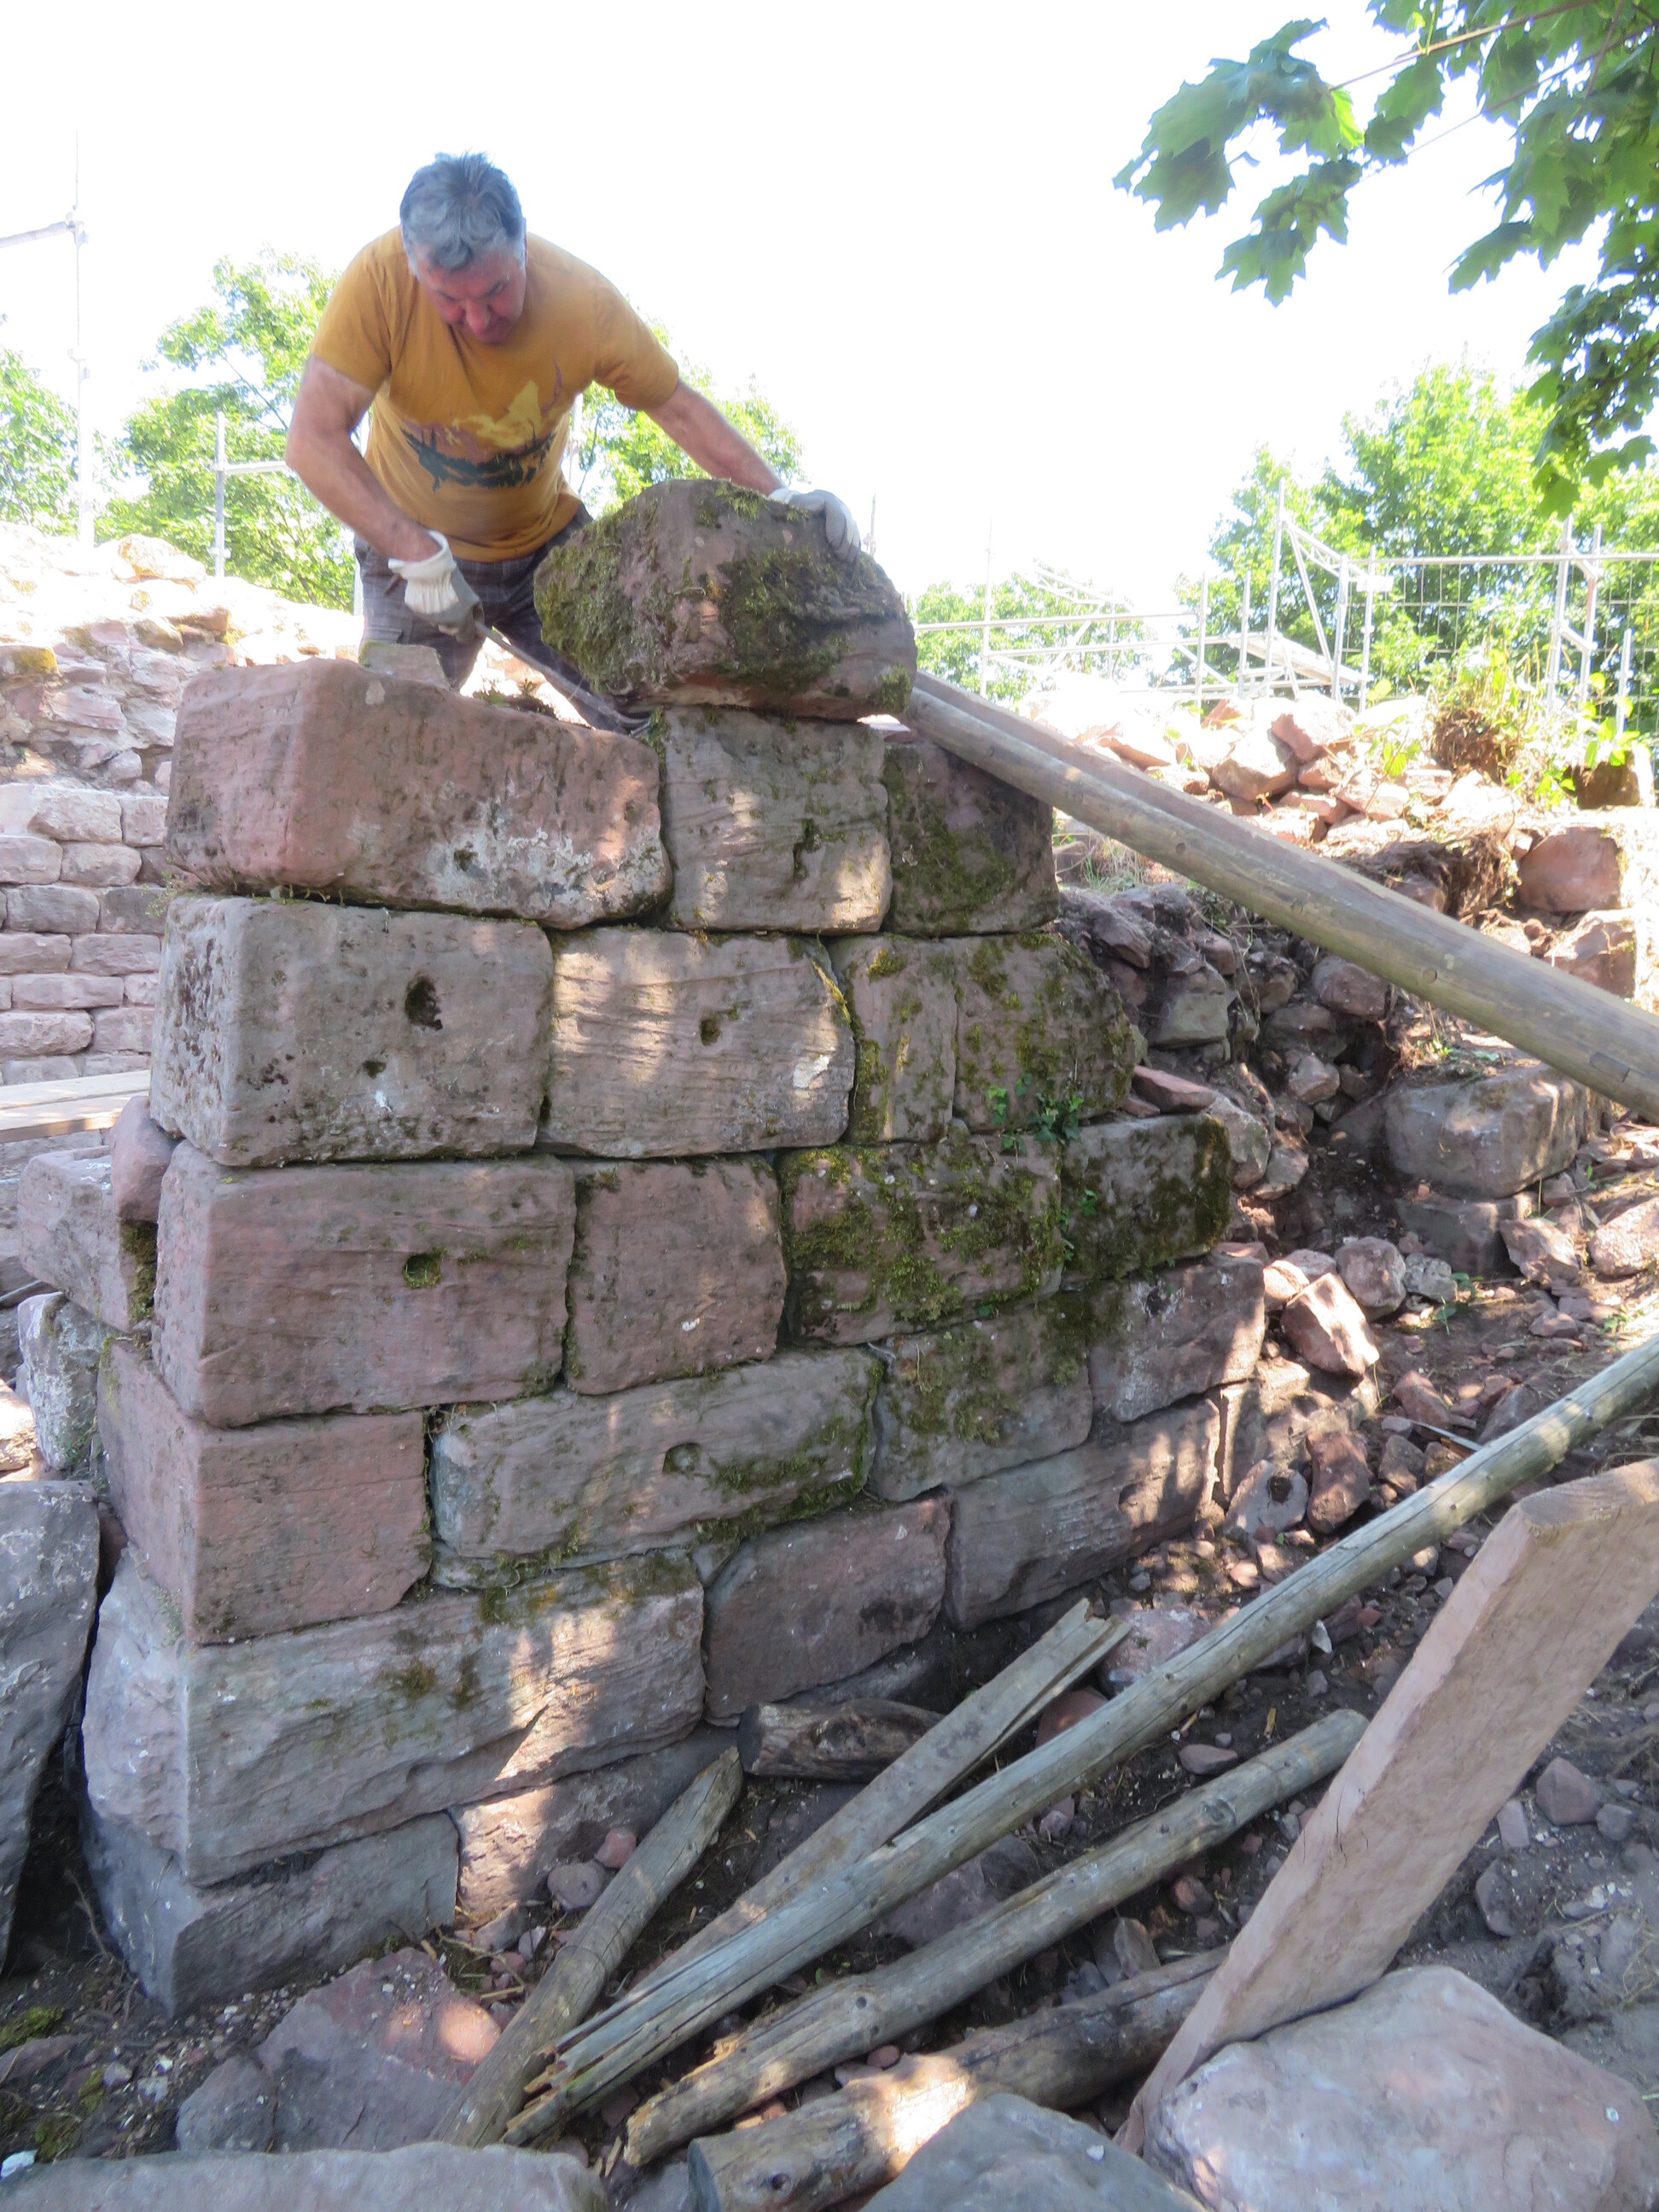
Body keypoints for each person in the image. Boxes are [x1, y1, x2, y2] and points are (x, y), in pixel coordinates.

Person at [286, 152, 860, 702]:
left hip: (544, 551)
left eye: (496, 291)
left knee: (636, 708)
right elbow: (313, 440)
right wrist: (414, 553)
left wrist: (781, 498)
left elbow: (677, 407)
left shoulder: (582, 302)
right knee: (393, 723)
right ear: (416, 268)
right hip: (410, 553)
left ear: (522, 249)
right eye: (450, 301)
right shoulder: (380, 282)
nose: (478, 320)